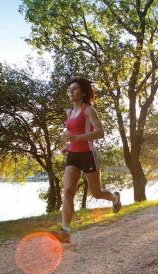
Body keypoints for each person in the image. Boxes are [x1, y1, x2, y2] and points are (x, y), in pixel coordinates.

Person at [50, 77, 121, 244]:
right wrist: (70, 145)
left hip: (88, 155)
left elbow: (100, 132)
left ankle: (115, 198)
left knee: (96, 193)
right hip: (73, 156)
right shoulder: (69, 113)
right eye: (70, 89)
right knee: (68, 191)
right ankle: (65, 232)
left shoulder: (88, 110)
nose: (71, 91)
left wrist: (77, 138)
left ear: (82, 92)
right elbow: (73, 135)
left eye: (74, 89)